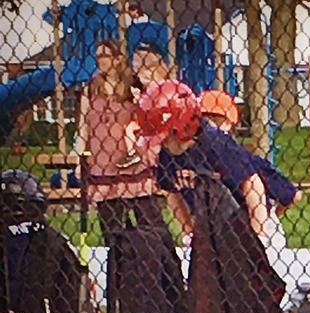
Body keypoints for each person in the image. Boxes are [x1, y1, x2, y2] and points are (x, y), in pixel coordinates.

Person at [140, 79, 281, 249]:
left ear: (183, 126)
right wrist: (189, 232)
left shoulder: (215, 144)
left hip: (252, 219)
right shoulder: (166, 153)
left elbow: (252, 183)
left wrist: (259, 235)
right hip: (211, 228)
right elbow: (171, 193)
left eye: (167, 136)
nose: (163, 144)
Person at [80, 40, 165, 240]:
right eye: (98, 56)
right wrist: (80, 157)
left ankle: (163, 259)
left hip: (130, 160)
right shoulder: (90, 89)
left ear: (117, 59)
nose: (101, 60)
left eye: (105, 55)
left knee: (149, 219)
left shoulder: (132, 86)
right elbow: (83, 126)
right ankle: (118, 262)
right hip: (102, 161)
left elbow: (148, 117)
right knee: (111, 226)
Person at [199, 89, 298, 258]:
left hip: (256, 225)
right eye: (206, 120)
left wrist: (265, 222)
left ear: (228, 124)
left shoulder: (242, 158)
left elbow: (292, 195)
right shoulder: (195, 154)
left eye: (214, 120)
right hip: (220, 228)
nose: (210, 127)